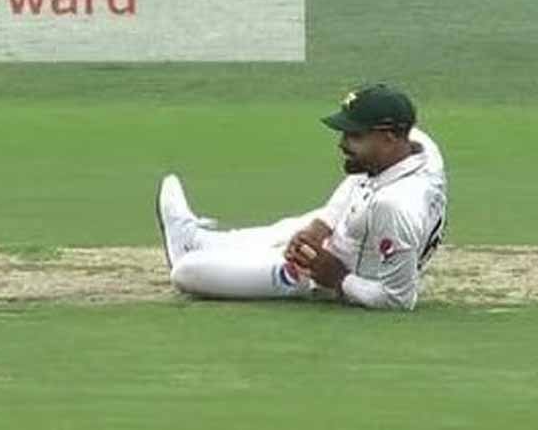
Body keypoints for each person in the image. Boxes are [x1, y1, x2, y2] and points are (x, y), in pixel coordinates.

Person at [155, 84, 447, 310]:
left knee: (186, 272)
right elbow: (357, 180)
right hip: (351, 236)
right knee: (288, 229)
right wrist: (321, 226)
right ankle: (194, 240)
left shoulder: (395, 206)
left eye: (354, 136)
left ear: (388, 138)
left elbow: (398, 300)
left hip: (323, 277)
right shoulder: (416, 146)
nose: (342, 144)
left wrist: (337, 278)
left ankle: (193, 252)